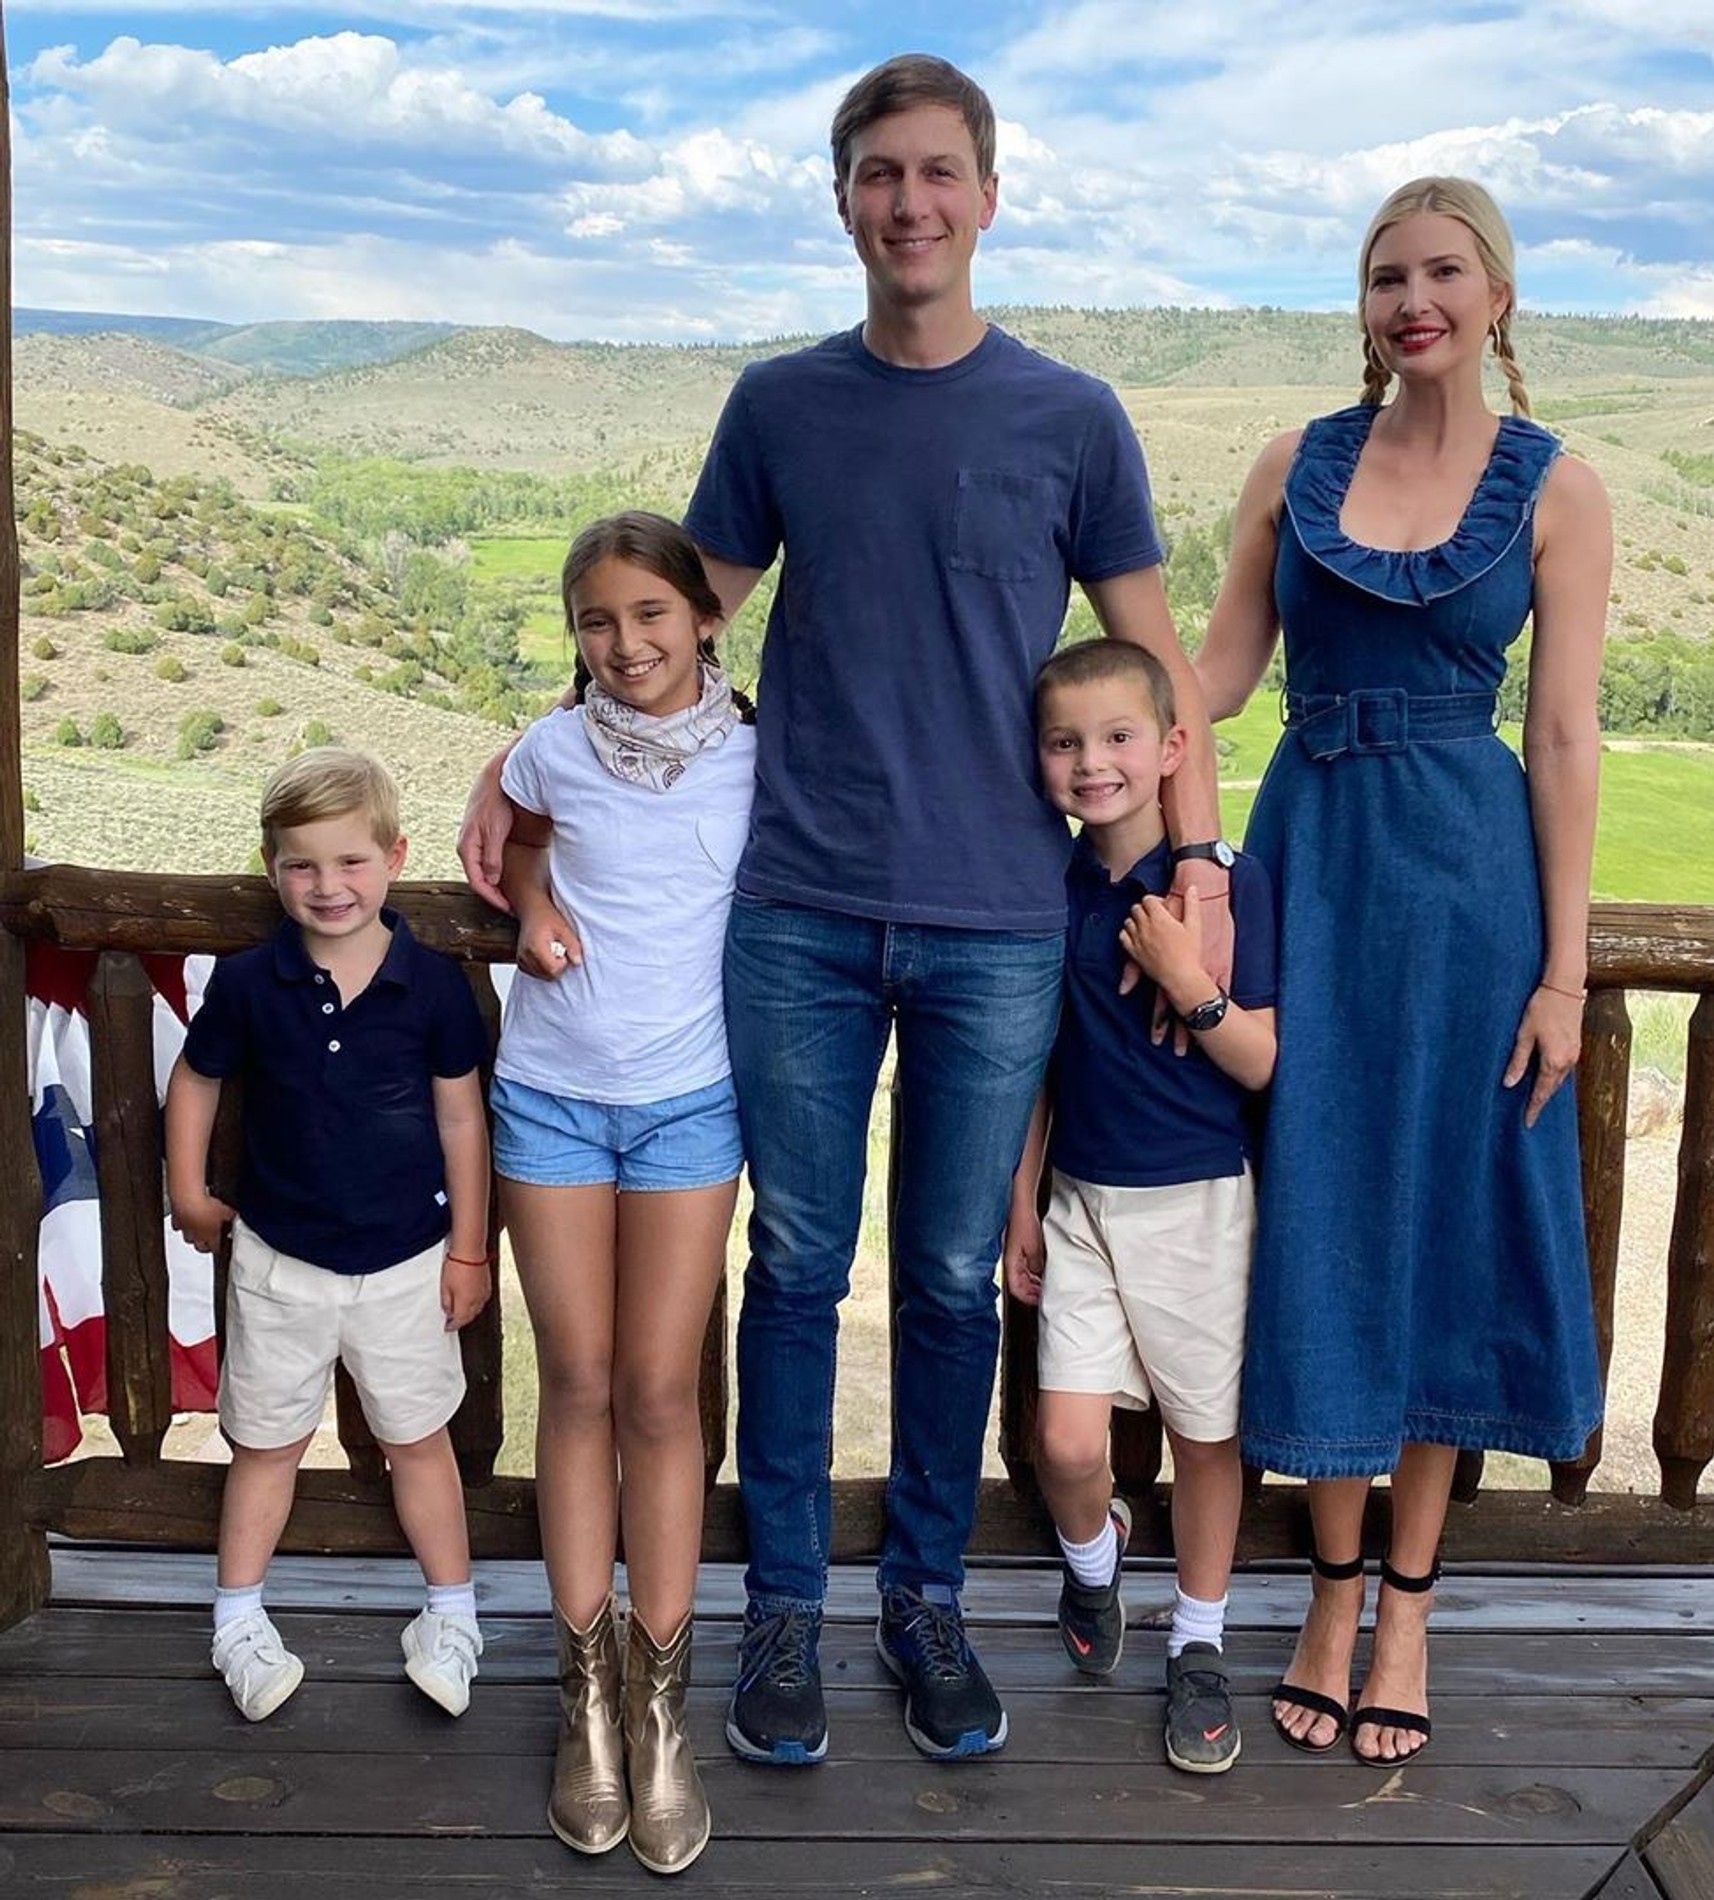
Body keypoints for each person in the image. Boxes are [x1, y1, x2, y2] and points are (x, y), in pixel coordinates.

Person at [459, 53, 1230, 1767]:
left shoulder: (1073, 418)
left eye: (940, 172)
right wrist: (525, 771)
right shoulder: (780, 407)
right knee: (799, 1267)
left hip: (998, 918)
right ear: (842, 200)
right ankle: (787, 1618)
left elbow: (1156, 659)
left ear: (989, 196)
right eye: (882, 174)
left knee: (953, 1279)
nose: (911, 203)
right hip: (798, 910)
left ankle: (927, 1604)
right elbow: (670, 630)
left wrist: (1198, 863)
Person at [1194, 176, 1610, 1765]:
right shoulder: (1290, 463)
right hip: (1312, 868)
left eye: (1442, 272)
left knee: (1440, 1228)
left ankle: (1410, 1608)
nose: (1412, 300)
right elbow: (1218, 679)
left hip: (1469, 891)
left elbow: (1561, 738)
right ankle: (1329, 1593)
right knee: (1325, 1210)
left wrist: (1564, 974)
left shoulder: (1561, 488)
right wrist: (1060, 689)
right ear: (1362, 306)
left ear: (1497, 295)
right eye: (1387, 277)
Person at [491, 512, 754, 1873]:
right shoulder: (550, 747)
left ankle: (661, 1708)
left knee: (659, 1391)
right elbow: (521, 836)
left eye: (650, 613)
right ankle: (585, 1701)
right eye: (597, 620)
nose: (625, 641)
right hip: (548, 1097)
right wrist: (530, 904)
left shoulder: (761, 757)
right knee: (578, 1382)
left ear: (706, 616)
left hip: (691, 1106)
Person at [165, 749, 491, 1725]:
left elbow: (462, 1119)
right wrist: (188, 1188)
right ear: (272, 869)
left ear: (395, 857)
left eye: (351, 861)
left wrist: (469, 1249)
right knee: (266, 1446)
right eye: (302, 864)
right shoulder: (249, 982)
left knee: (419, 1440)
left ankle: (451, 1616)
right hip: (278, 1261)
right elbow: (196, 1079)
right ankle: (237, 1622)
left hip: (409, 1263)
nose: (327, 884)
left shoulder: (431, 985)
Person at [1003, 639, 1277, 1775]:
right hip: (1080, 1198)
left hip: (1200, 1201)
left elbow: (1260, 1061)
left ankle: (1199, 1639)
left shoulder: (1226, 885)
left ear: (1171, 748)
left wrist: (1186, 980)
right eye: (1064, 742)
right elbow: (1038, 1066)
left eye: (1118, 737)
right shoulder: (1051, 884)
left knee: (1205, 1436)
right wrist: (1022, 1200)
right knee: (1066, 1442)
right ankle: (1093, 1559)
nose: (1092, 763)